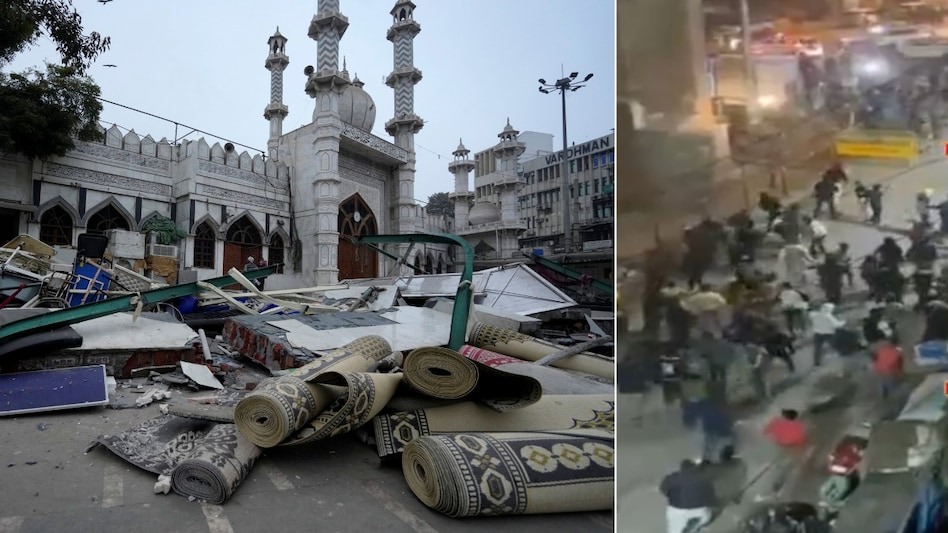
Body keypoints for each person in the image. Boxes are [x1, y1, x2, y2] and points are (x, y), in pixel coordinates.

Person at [660, 460, 717, 533]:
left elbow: (663, 489)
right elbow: (712, 499)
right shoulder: (704, 478)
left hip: (678, 510)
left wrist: (672, 496)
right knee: (705, 517)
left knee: (674, 530)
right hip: (699, 511)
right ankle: (696, 526)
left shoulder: (672, 477)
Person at [763, 409, 808, 494]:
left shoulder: (777, 423)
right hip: (790, 450)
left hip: (781, 448)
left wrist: (774, 439)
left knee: (780, 466)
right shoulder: (797, 426)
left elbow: (765, 432)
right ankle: (777, 484)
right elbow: (801, 441)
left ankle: (775, 483)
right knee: (786, 468)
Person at [809, 303, 845, 367]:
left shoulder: (814, 315)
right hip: (828, 333)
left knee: (817, 348)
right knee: (834, 344)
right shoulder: (828, 316)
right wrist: (843, 322)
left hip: (817, 333)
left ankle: (817, 362)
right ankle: (842, 353)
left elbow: (810, 314)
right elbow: (836, 325)